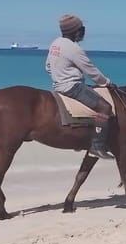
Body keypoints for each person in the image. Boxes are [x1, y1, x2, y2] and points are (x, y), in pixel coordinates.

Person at [46, 14, 115, 159]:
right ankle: (97, 146)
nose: (84, 32)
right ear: (76, 31)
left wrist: (60, 75)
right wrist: (107, 83)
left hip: (58, 85)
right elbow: (91, 71)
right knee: (105, 107)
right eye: (82, 29)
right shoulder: (74, 48)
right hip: (72, 87)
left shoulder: (55, 43)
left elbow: (47, 66)